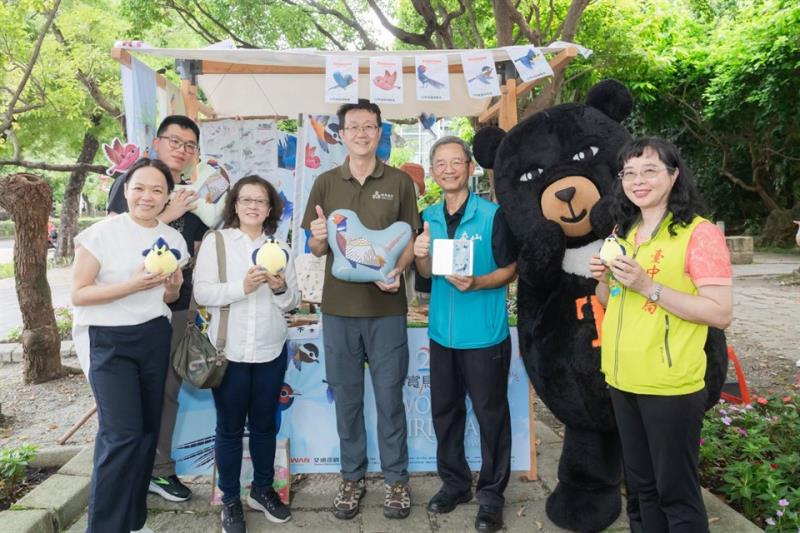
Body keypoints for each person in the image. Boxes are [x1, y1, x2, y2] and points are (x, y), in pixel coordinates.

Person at [589, 137, 733, 533]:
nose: (638, 180)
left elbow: (720, 313)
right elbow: (611, 299)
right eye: (629, 173)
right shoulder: (625, 230)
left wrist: (648, 286)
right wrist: (603, 281)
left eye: (650, 170)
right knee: (639, 489)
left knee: (676, 494)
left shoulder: (699, 234)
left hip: (669, 386)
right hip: (622, 379)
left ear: (674, 175)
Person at [300, 100, 419, 520]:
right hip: (338, 310)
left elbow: (408, 242)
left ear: (380, 131)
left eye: (370, 126)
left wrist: (397, 273)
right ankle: (351, 479)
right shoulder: (326, 182)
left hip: (387, 310)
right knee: (347, 399)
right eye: (354, 127)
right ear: (341, 133)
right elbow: (317, 247)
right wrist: (317, 236)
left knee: (390, 398)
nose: (362, 133)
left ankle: (396, 482)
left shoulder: (401, 182)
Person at [72, 158, 189, 533]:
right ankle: (104, 527)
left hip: (153, 336)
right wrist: (131, 286)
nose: (147, 196)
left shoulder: (173, 240)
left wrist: (170, 289)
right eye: (139, 187)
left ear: (167, 197)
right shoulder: (100, 235)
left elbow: (169, 299)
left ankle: (133, 521)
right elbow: (79, 294)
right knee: (120, 434)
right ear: (126, 190)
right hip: (108, 341)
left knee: (145, 433)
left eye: (157, 190)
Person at [413, 136, 517, 533]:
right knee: (445, 412)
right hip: (442, 335)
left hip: (484, 336)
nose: (449, 169)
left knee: (491, 417)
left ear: (469, 168)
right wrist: (420, 253)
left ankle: (491, 494)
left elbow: (510, 269)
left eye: (456, 161)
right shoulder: (429, 216)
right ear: (434, 171)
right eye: (441, 163)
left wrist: (478, 283)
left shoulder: (493, 215)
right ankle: (455, 483)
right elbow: (425, 277)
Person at [108, 115, 207, 502]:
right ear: (156, 142)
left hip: (177, 307)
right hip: (129, 308)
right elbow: (115, 242)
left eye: (189, 145)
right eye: (175, 141)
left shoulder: (189, 193)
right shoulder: (133, 185)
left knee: (167, 389)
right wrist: (170, 213)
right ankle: (129, 470)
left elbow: (195, 252)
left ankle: (159, 470)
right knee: (125, 395)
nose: (181, 150)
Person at [193, 175, 300, 533]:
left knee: (265, 425)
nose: (253, 206)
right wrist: (244, 286)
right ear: (234, 205)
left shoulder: (279, 247)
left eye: (261, 201)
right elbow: (203, 292)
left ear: (271, 209)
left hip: (270, 348)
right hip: (230, 351)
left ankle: (263, 490)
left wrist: (280, 285)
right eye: (246, 199)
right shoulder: (217, 242)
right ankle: (230, 500)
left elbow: (292, 301)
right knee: (228, 428)